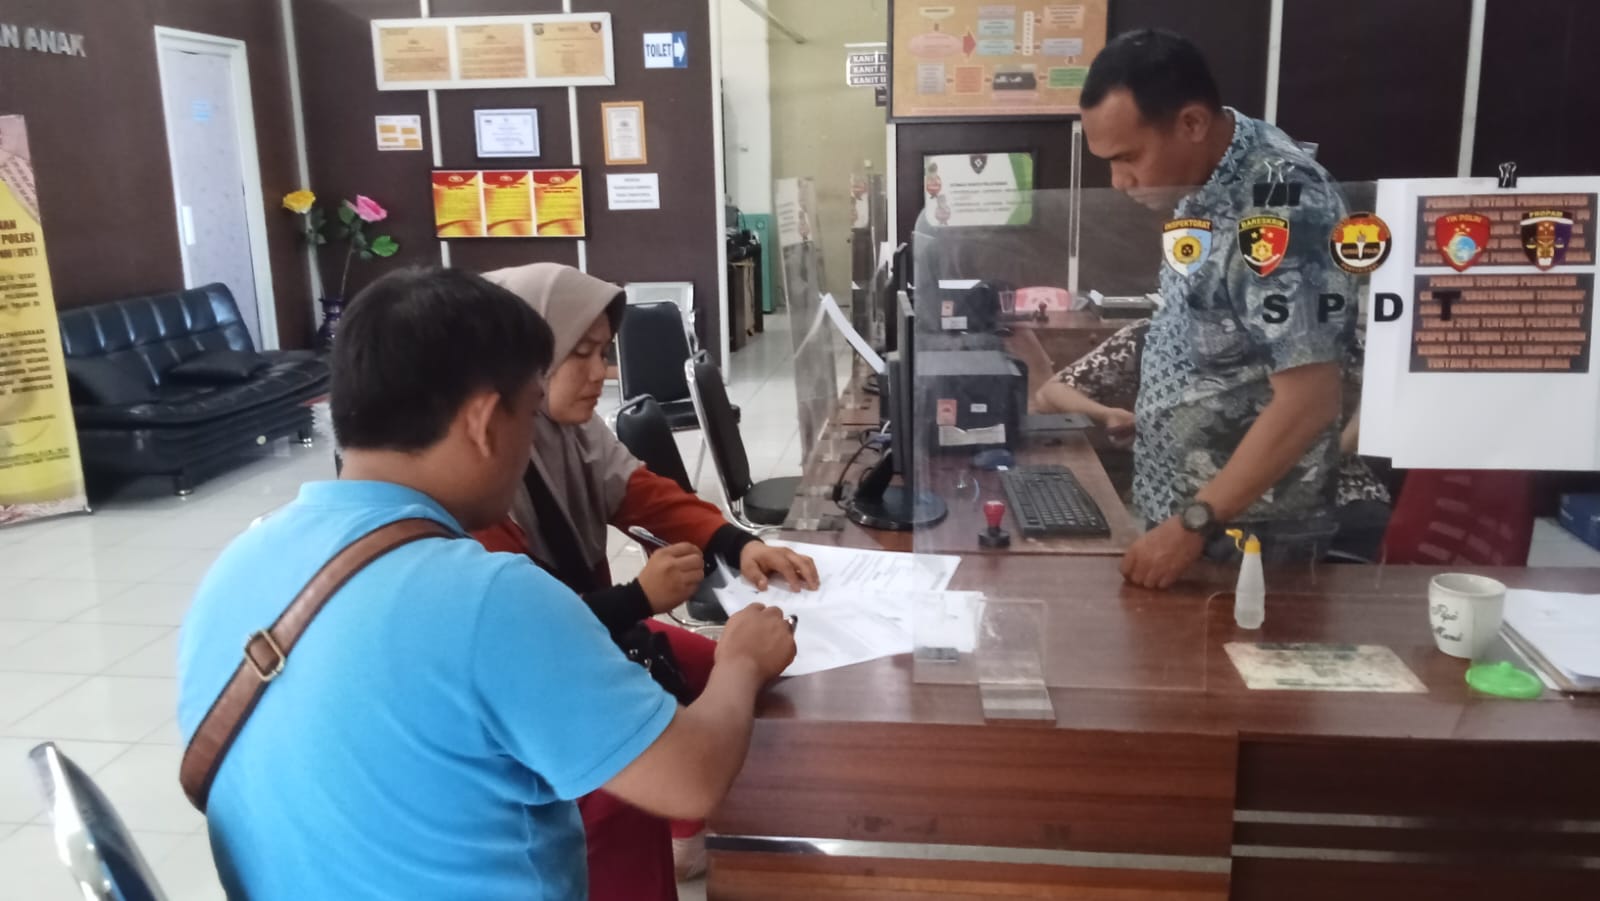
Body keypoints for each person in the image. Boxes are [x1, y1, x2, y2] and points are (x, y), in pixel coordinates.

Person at [176, 267, 797, 900]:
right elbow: (689, 778)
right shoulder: (487, 596)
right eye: (528, 414)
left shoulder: (235, 567)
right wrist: (742, 660)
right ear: (482, 421)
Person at [470, 261, 819, 900]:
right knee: (623, 802)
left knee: (733, 666)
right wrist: (638, 598)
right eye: (582, 354)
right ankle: (673, 832)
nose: (601, 373)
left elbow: (640, 492)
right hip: (563, 651)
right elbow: (522, 626)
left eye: (605, 353)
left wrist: (736, 544)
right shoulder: (479, 473)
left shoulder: (568, 428)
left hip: (597, 629)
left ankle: (688, 835)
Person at [1079, 29, 1358, 587]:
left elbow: (1309, 400)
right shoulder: (1203, 180)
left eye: (1129, 157)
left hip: (1247, 534)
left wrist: (1194, 523)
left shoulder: (1282, 204)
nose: (1118, 181)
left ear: (1192, 123)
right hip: (1188, 519)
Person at [1036, 319, 1391, 560]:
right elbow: (1051, 393)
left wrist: (1339, 447)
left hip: (1330, 502)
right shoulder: (1152, 335)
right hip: (1201, 507)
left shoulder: (1305, 333)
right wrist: (1107, 414)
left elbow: (1385, 383)